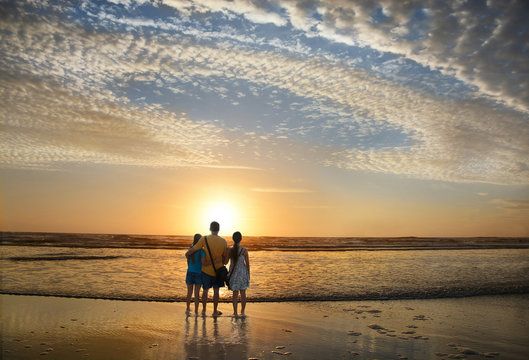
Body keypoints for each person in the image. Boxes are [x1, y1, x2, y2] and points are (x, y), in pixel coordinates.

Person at [186, 221, 227, 316]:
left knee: (205, 290)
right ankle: (214, 311)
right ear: (219, 229)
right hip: (218, 271)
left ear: (210, 228)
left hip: (206, 270)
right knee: (216, 291)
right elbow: (224, 258)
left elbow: (194, 249)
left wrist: (187, 254)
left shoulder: (204, 239)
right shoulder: (223, 241)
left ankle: (204, 310)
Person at [226, 231, 250, 316]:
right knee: (243, 293)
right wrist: (248, 276)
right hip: (243, 273)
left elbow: (225, 262)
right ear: (241, 239)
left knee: (235, 294)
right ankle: (242, 312)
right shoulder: (244, 250)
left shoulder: (230, 250)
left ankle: (235, 312)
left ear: (233, 239)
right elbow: (247, 264)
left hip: (233, 274)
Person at [185, 233, 205, 314]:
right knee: (197, 294)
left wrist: (190, 267)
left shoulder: (191, 250)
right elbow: (203, 263)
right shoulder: (202, 251)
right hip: (198, 273)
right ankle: (196, 310)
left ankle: (188, 308)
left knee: (189, 293)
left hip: (190, 272)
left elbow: (187, 259)